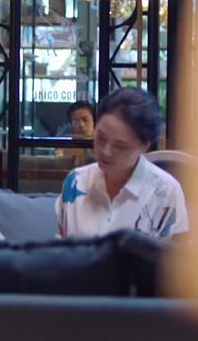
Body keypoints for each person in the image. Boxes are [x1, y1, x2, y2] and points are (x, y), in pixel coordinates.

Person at [55, 87, 188, 240]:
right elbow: (61, 248)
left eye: (120, 146)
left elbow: (174, 254)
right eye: (101, 138)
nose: (106, 151)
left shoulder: (165, 192)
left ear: (144, 146)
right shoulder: (76, 182)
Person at [57, 100, 95, 167]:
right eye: (76, 121)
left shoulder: (102, 143)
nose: (81, 125)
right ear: (71, 125)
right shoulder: (65, 145)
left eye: (85, 120)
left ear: (93, 121)